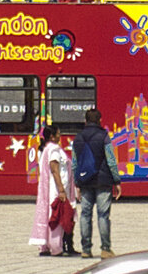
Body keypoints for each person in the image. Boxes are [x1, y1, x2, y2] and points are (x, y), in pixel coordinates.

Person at [74, 107, 121, 255]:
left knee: (85, 214)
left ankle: (86, 249)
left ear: (85, 120)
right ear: (99, 120)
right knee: (103, 215)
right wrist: (116, 180)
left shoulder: (78, 137)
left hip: (85, 180)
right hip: (103, 181)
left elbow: (75, 163)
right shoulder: (104, 136)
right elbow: (111, 160)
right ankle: (105, 249)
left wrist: (77, 182)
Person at [29, 122, 76, 256]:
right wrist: (61, 190)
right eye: (58, 134)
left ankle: (46, 245)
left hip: (51, 189)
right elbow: (55, 170)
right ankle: (56, 247)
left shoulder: (46, 149)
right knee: (57, 216)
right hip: (56, 189)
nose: (60, 136)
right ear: (52, 136)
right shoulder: (54, 150)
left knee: (51, 215)